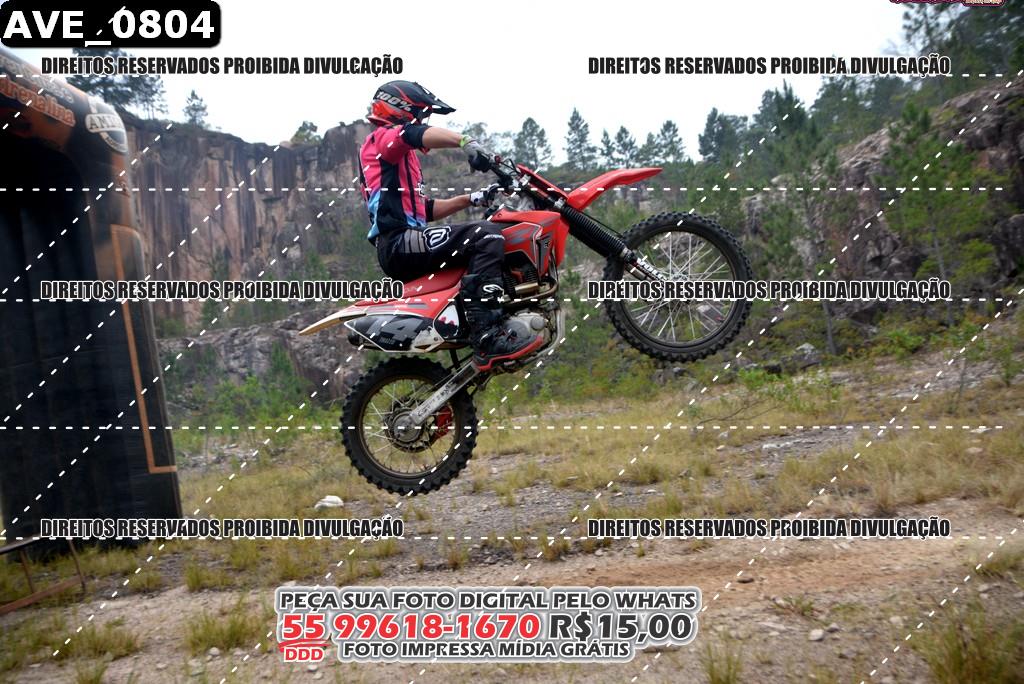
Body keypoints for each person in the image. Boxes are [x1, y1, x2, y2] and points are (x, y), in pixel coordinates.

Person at [359, 80, 543, 370]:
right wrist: (465, 142)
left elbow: (425, 209)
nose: (422, 120)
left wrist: (471, 199)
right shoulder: (382, 140)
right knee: (486, 236)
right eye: (420, 113)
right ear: (400, 109)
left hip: (405, 240)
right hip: (397, 243)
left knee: (486, 231)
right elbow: (413, 134)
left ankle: (482, 321)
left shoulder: (397, 159)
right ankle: (487, 335)